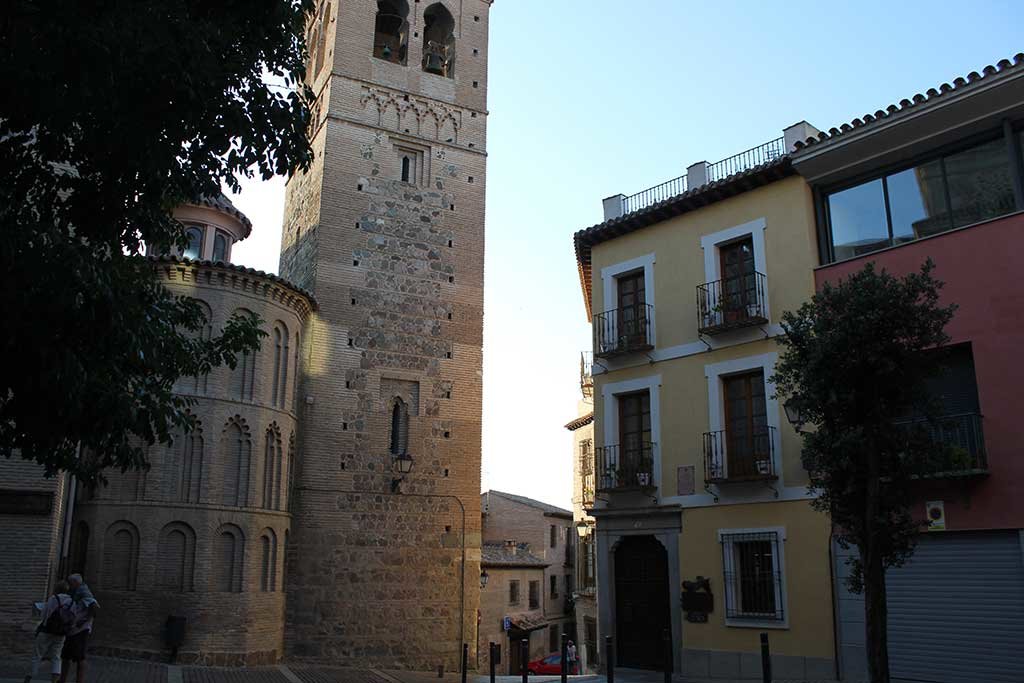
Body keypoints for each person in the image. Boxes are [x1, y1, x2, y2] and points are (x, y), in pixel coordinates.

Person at [24, 581, 72, 683]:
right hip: (61, 633)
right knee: (56, 657)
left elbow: (44, 615)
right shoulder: (71, 601)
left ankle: (28, 679)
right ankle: (54, 681)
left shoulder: (53, 599)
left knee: (37, 655)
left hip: (47, 630)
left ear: (57, 589)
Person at [59, 574, 99, 683]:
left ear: (76, 583)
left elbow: (94, 607)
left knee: (80, 657)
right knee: (66, 656)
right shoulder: (75, 593)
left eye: (71, 583)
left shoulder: (84, 593)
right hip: (72, 630)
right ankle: (62, 680)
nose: (69, 585)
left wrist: (83, 621)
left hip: (80, 630)